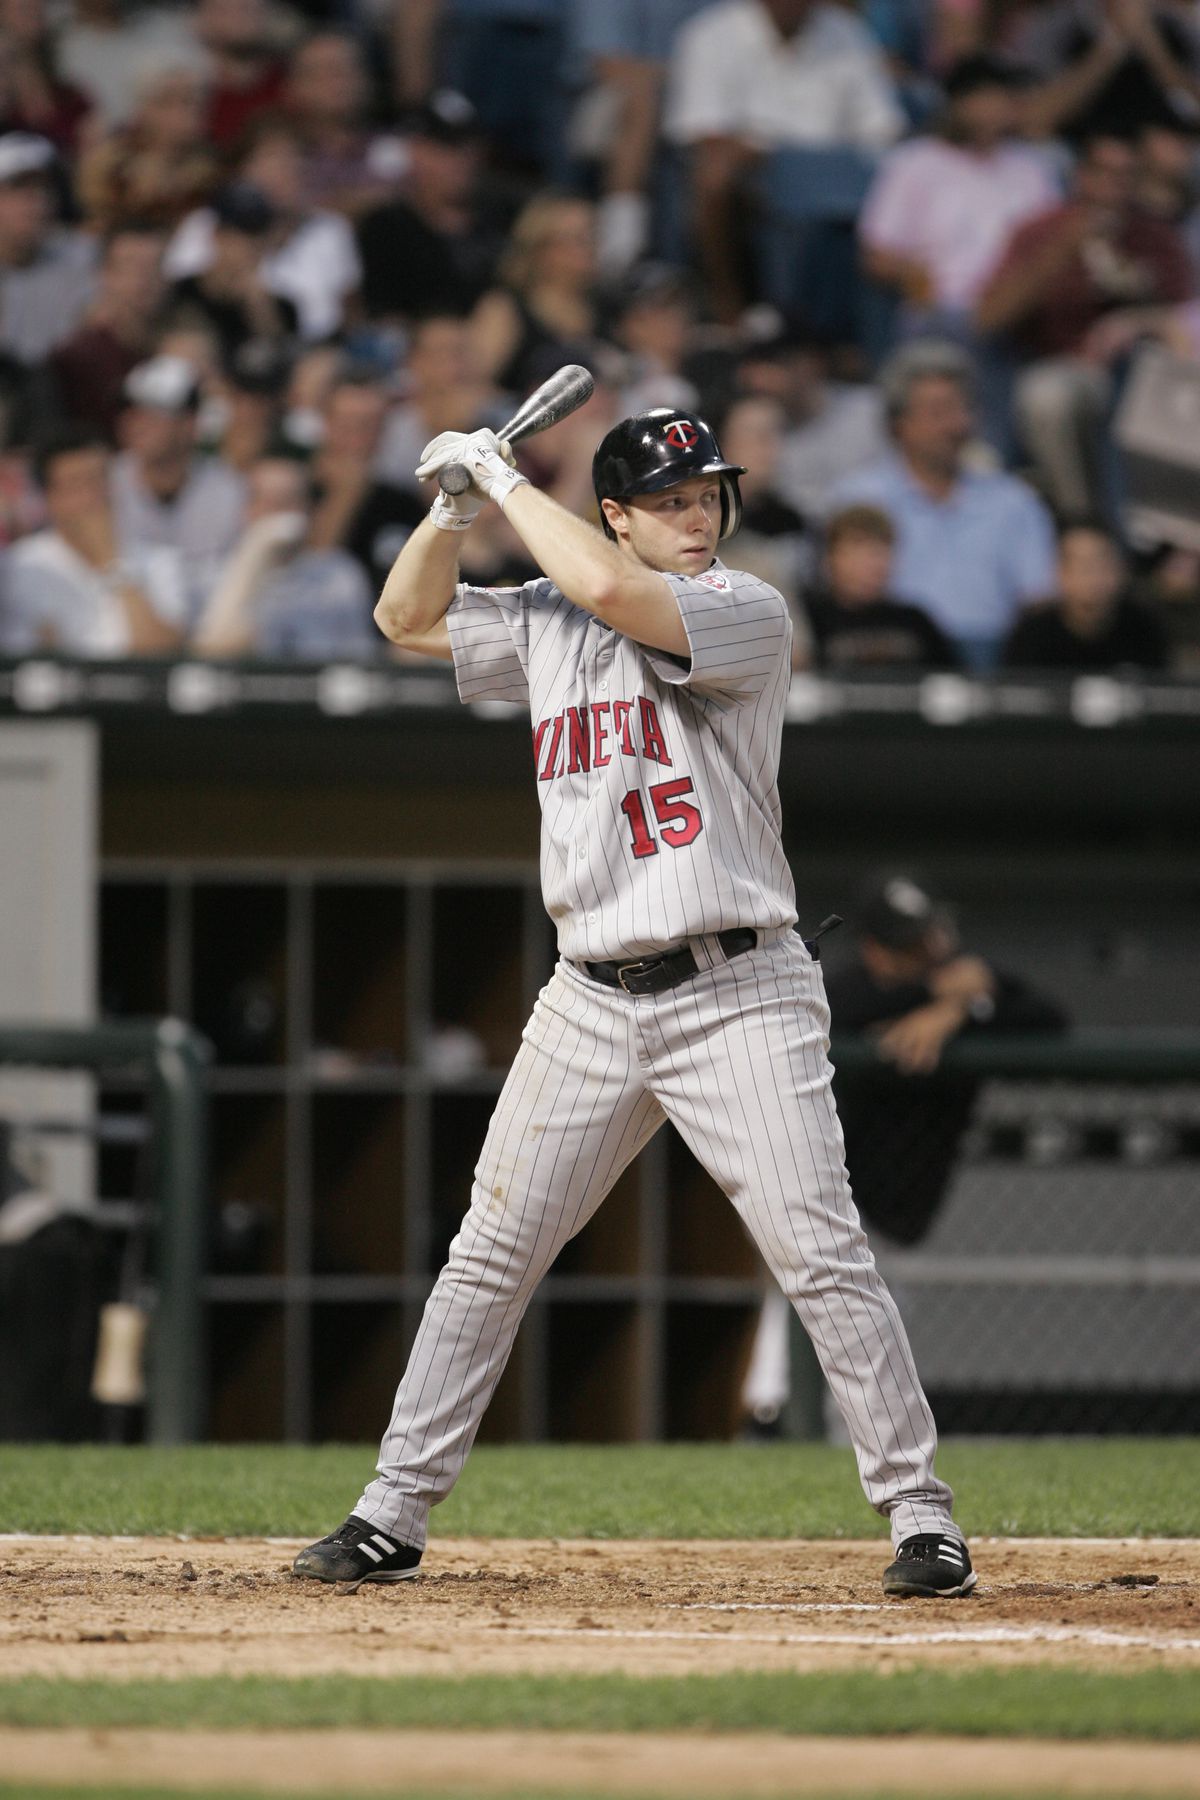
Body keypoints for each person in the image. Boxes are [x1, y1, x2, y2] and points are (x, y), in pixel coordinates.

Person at [292, 403, 976, 1602]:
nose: (699, 513)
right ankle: (391, 1512)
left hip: (738, 989)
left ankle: (924, 1519)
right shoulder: (549, 619)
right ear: (617, 509)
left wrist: (500, 478)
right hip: (591, 998)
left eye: (707, 492)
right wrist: (451, 512)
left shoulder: (746, 610)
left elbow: (612, 592)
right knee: (489, 1255)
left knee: (819, 1254)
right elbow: (402, 617)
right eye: (670, 498)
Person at [824, 873, 1070, 1245]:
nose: (931, 950)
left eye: (930, 934)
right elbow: (840, 1007)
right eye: (912, 944)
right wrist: (933, 992)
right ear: (875, 950)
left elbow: (1050, 1019)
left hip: (922, 1214)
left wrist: (961, 1010)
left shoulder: (963, 986)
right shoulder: (845, 993)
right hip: (833, 1206)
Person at [975, 133, 1194, 521]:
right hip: (1062, 366)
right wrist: (1062, 251)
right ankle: (1082, 521)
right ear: (1081, 175)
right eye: (1104, 174)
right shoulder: (1040, 230)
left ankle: (1174, 535)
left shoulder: (1154, 236)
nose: (1114, 187)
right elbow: (988, 319)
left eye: (1126, 176)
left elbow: (1188, 317)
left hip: (1145, 374)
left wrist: (1135, 320)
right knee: (1047, 396)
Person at [664, 0, 904, 322]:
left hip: (832, 171)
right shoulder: (710, 33)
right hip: (755, 176)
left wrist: (809, 162)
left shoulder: (847, 32)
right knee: (714, 177)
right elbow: (702, 132)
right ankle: (730, 311)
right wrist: (771, 155)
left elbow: (883, 128)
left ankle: (844, 336)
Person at [829, 340, 1056, 669]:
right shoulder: (856, 499)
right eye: (937, 412)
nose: (955, 425)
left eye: (962, 409)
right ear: (898, 424)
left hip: (996, 660)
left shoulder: (1014, 502)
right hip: (893, 655)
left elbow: (1040, 602)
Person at [858, 54, 1057, 337]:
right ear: (956, 102)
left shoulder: (1033, 167)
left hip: (1017, 316)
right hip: (940, 311)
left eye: (999, 100)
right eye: (981, 98)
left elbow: (1050, 241)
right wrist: (917, 279)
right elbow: (877, 255)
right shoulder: (913, 162)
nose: (991, 110)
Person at [0, 424, 185, 655]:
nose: (92, 496)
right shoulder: (19, 566)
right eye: (76, 484)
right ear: (50, 498)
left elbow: (162, 653)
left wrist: (112, 562)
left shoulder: (160, 561)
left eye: (99, 480)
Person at [193, 453, 377, 659]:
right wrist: (256, 550)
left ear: (308, 508)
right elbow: (211, 655)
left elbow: (361, 659)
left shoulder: (339, 574)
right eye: (264, 501)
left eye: (287, 500)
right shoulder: (214, 573)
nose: (275, 512)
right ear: (245, 509)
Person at [112, 352, 246, 620]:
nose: (137, 423)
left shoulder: (231, 492)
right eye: (132, 412)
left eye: (153, 414)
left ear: (190, 424)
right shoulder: (103, 484)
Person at [356, 91, 501, 329]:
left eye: (469, 147)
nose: (461, 159)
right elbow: (385, 317)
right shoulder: (386, 228)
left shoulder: (502, 216)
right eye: (445, 147)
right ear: (415, 151)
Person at [805, 503, 959, 670]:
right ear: (831, 557)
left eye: (882, 550)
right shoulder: (809, 618)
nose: (874, 562)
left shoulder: (915, 620)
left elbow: (955, 682)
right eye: (859, 549)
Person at [1003, 518, 1170, 671]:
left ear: (1121, 569)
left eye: (1101, 563)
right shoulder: (1031, 637)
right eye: (1081, 566)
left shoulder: (1145, 632)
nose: (1092, 576)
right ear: (1060, 572)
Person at [50, 222, 166, 439]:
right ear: (104, 275)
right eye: (130, 267)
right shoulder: (77, 358)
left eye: (153, 266)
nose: (144, 279)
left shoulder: (182, 344)